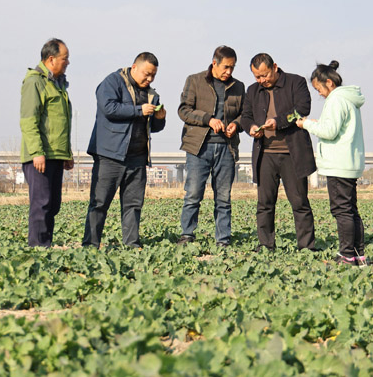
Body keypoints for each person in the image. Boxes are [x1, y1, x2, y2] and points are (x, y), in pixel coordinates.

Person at [83, 52, 167, 248]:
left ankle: (132, 245)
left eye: (153, 75)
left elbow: (153, 127)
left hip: (137, 157)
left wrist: (160, 118)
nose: (149, 79)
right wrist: (138, 110)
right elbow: (108, 108)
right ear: (134, 67)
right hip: (110, 155)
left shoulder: (151, 94)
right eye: (147, 74)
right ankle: (90, 245)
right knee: (99, 202)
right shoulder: (112, 82)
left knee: (133, 204)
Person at [241, 53, 317, 251]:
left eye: (265, 75)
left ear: (274, 67)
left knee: (299, 202)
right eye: (257, 77)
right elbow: (245, 116)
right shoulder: (252, 90)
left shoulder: (296, 82)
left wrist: (278, 122)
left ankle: (306, 247)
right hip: (265, 154)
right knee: (264, 203)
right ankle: (266, 245)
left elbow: (302, 109)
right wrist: (251, 127)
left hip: (292, 154)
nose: (262, 80)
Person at [296, 61, 367, 265]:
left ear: (329, 82)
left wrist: (306, 124)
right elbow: (337, 127)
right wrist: (318, 124)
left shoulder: (336, 99)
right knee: (350, 210)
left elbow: (330, 131)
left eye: (318, 88)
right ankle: (358, 255)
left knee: (341, 211)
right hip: (349, 163)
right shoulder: (349, 99)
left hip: (338, 164)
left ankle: (346, 255)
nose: (319, 93)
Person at [177, 45, 245, 247]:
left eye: (232, 67)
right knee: (193, 195)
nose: (229, 72)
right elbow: (184, 111)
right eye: (226, 67)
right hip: (199, 148)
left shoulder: (239, 87)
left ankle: (223, 239)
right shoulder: (194, 80)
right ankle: (187, 234)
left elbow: (245, 115)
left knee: (223, 198)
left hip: (227, 149)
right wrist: (208, 119)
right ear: (214, 63)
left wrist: (236, 125)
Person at [20, 38, 74, 247]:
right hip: (40, 155)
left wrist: (67, 153)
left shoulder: (58, 85)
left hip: (56, 154)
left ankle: (46, 245)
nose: (67, 62)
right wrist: (36, 152)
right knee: (41, 204)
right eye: (64, 58)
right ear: (51, 59)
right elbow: (29, 120)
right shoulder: (35, 82)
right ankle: (37, 248)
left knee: (53, 205)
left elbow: (61, 123)